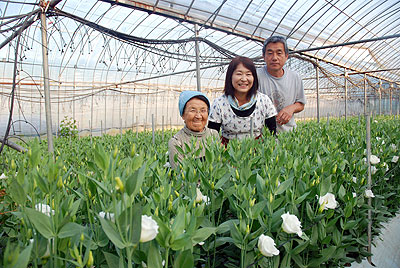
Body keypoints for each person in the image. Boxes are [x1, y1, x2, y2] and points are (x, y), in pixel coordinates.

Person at [208, 56, 277, 144]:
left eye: (248, 74)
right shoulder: (219, 103)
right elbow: (212, 135)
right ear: (230, 76)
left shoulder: (264, 101)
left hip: (258, 150)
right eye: (239, 74)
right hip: (228, 151)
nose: (244, 79)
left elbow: (272, 134)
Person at [257, 36, 306, 132]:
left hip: (288, 135)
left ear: (286, 56)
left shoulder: (295, 77)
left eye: (279, 53)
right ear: (264, 56)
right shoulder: (255, 76)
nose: (274, 58)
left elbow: (301, 104)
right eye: (270, 53)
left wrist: (291, 108)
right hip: (262, 136)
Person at [168, 91, 218, 169]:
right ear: (183, 115)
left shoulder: (213, 134)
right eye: (193, 110)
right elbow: (180, 175)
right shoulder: (176, 142)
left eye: (203, 110)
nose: (198, 116)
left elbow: (218, 166)